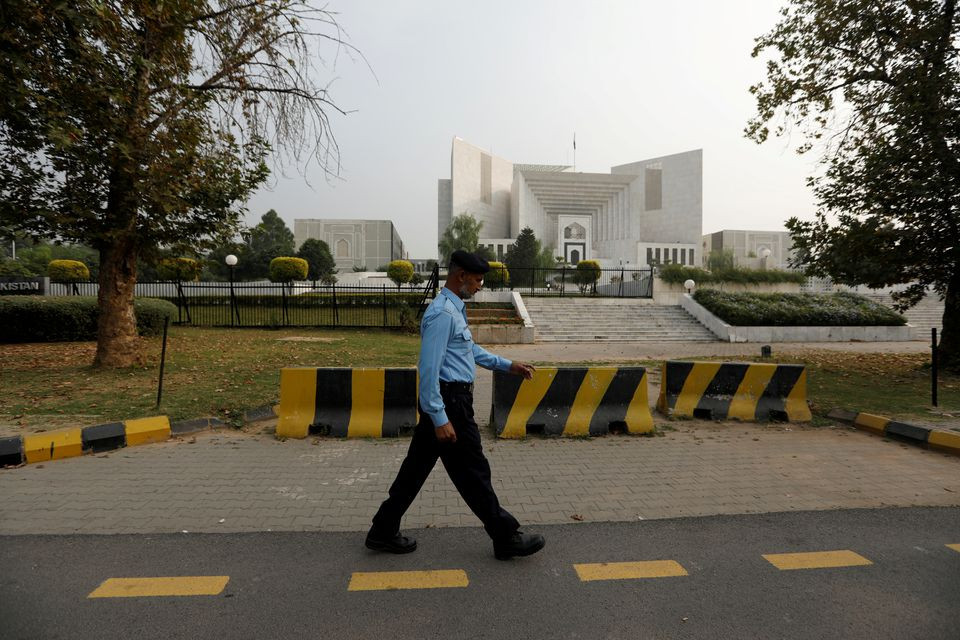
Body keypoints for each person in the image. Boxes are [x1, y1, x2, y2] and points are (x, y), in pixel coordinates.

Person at [366, 250, 546, 560]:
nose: (479, 286)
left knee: (416, 470)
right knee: (474, 472)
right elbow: (428, 369)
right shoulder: (442, 314)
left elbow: (469, 350)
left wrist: (508, 365)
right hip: (450, 404)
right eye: (477, 280)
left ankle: (382, 529)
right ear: (460, 276)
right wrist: (439, 417)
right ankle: (505, 537)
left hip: (449, 402)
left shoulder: (453, 309)